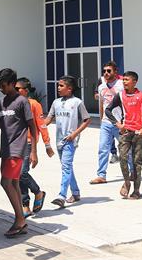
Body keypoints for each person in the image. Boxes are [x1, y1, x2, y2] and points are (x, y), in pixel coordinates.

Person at [0, 68, 38, 237]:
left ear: (12, 83)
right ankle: (21, 221)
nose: (1, 88)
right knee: (14, 184)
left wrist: (34, 151)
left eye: (3, 85)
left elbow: (32, 126)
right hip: (5, 150)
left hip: (17, 150)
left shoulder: (22, 102)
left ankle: (19, 220)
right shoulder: (0, 102)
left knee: (5, 182)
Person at [41, 75, 90, 208]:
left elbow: (87, 120)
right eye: (58, 85)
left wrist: (74, 134)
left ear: (70, 89)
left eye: (61, 85)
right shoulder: (56, 102)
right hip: (59, 141)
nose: (58, 88)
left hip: (70, 140)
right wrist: (39, 126)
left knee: (66, 167)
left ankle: (61, 196)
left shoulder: (77, 102)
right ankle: (76, 192)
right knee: (66, 167)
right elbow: (49, 118)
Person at [104, 71, 142, 199]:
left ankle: (137, 190)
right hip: (125, 131)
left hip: (138, 132)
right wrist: (118, 124)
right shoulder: (120, 96)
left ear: (134, 82)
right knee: (122, 158)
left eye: (127, 80)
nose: (124, 82)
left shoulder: (141, 96)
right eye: (123, 80)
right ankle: (127, 182)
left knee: (137, 162)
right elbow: (108, 110)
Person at [16, 78, 54, 217]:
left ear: (26, 91)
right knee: (18, 176)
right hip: (16, 144)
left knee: (22, 173)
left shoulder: (34, 104)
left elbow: (41, 125)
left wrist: (47, 145)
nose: (15, 91)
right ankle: (25, 206)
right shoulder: (14, 104)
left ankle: (38, 192)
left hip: (28, 143)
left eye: (18, 88)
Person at [91, 60, 121, 184]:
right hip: (106, 123)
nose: (106, 73)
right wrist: (101, 119)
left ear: (115, 71)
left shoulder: (121, 85)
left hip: (120, 123)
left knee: (126, 149)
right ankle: (101, 175)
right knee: (103, 148)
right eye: (104, 71)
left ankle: (132, 172)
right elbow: (102, 104)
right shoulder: (101, 86)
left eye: (109, 71)